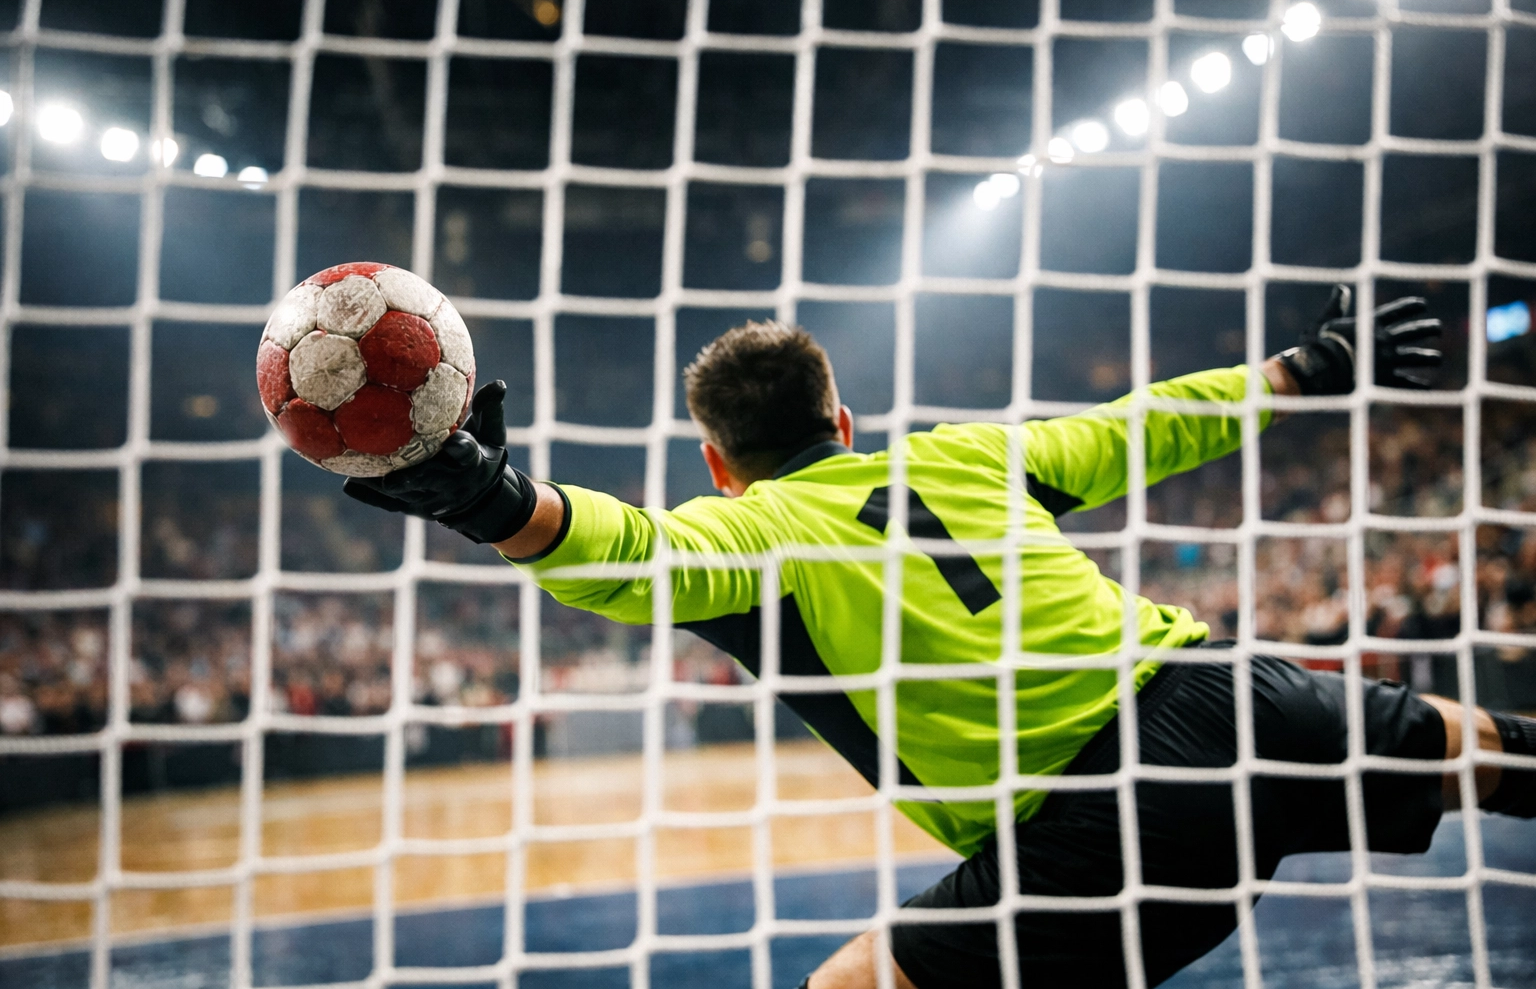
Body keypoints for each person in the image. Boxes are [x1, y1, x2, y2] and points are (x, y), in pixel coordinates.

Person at [341, 287, 1535, 989]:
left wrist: (490, 501)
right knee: (1493, 749)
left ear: (719, 461)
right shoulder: (970, 455)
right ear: (842, 420)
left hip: (1103, 819)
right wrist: (1301, 366)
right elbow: (1144, 426)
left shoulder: (752, 538)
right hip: (1239, 700)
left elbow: (624, 548)